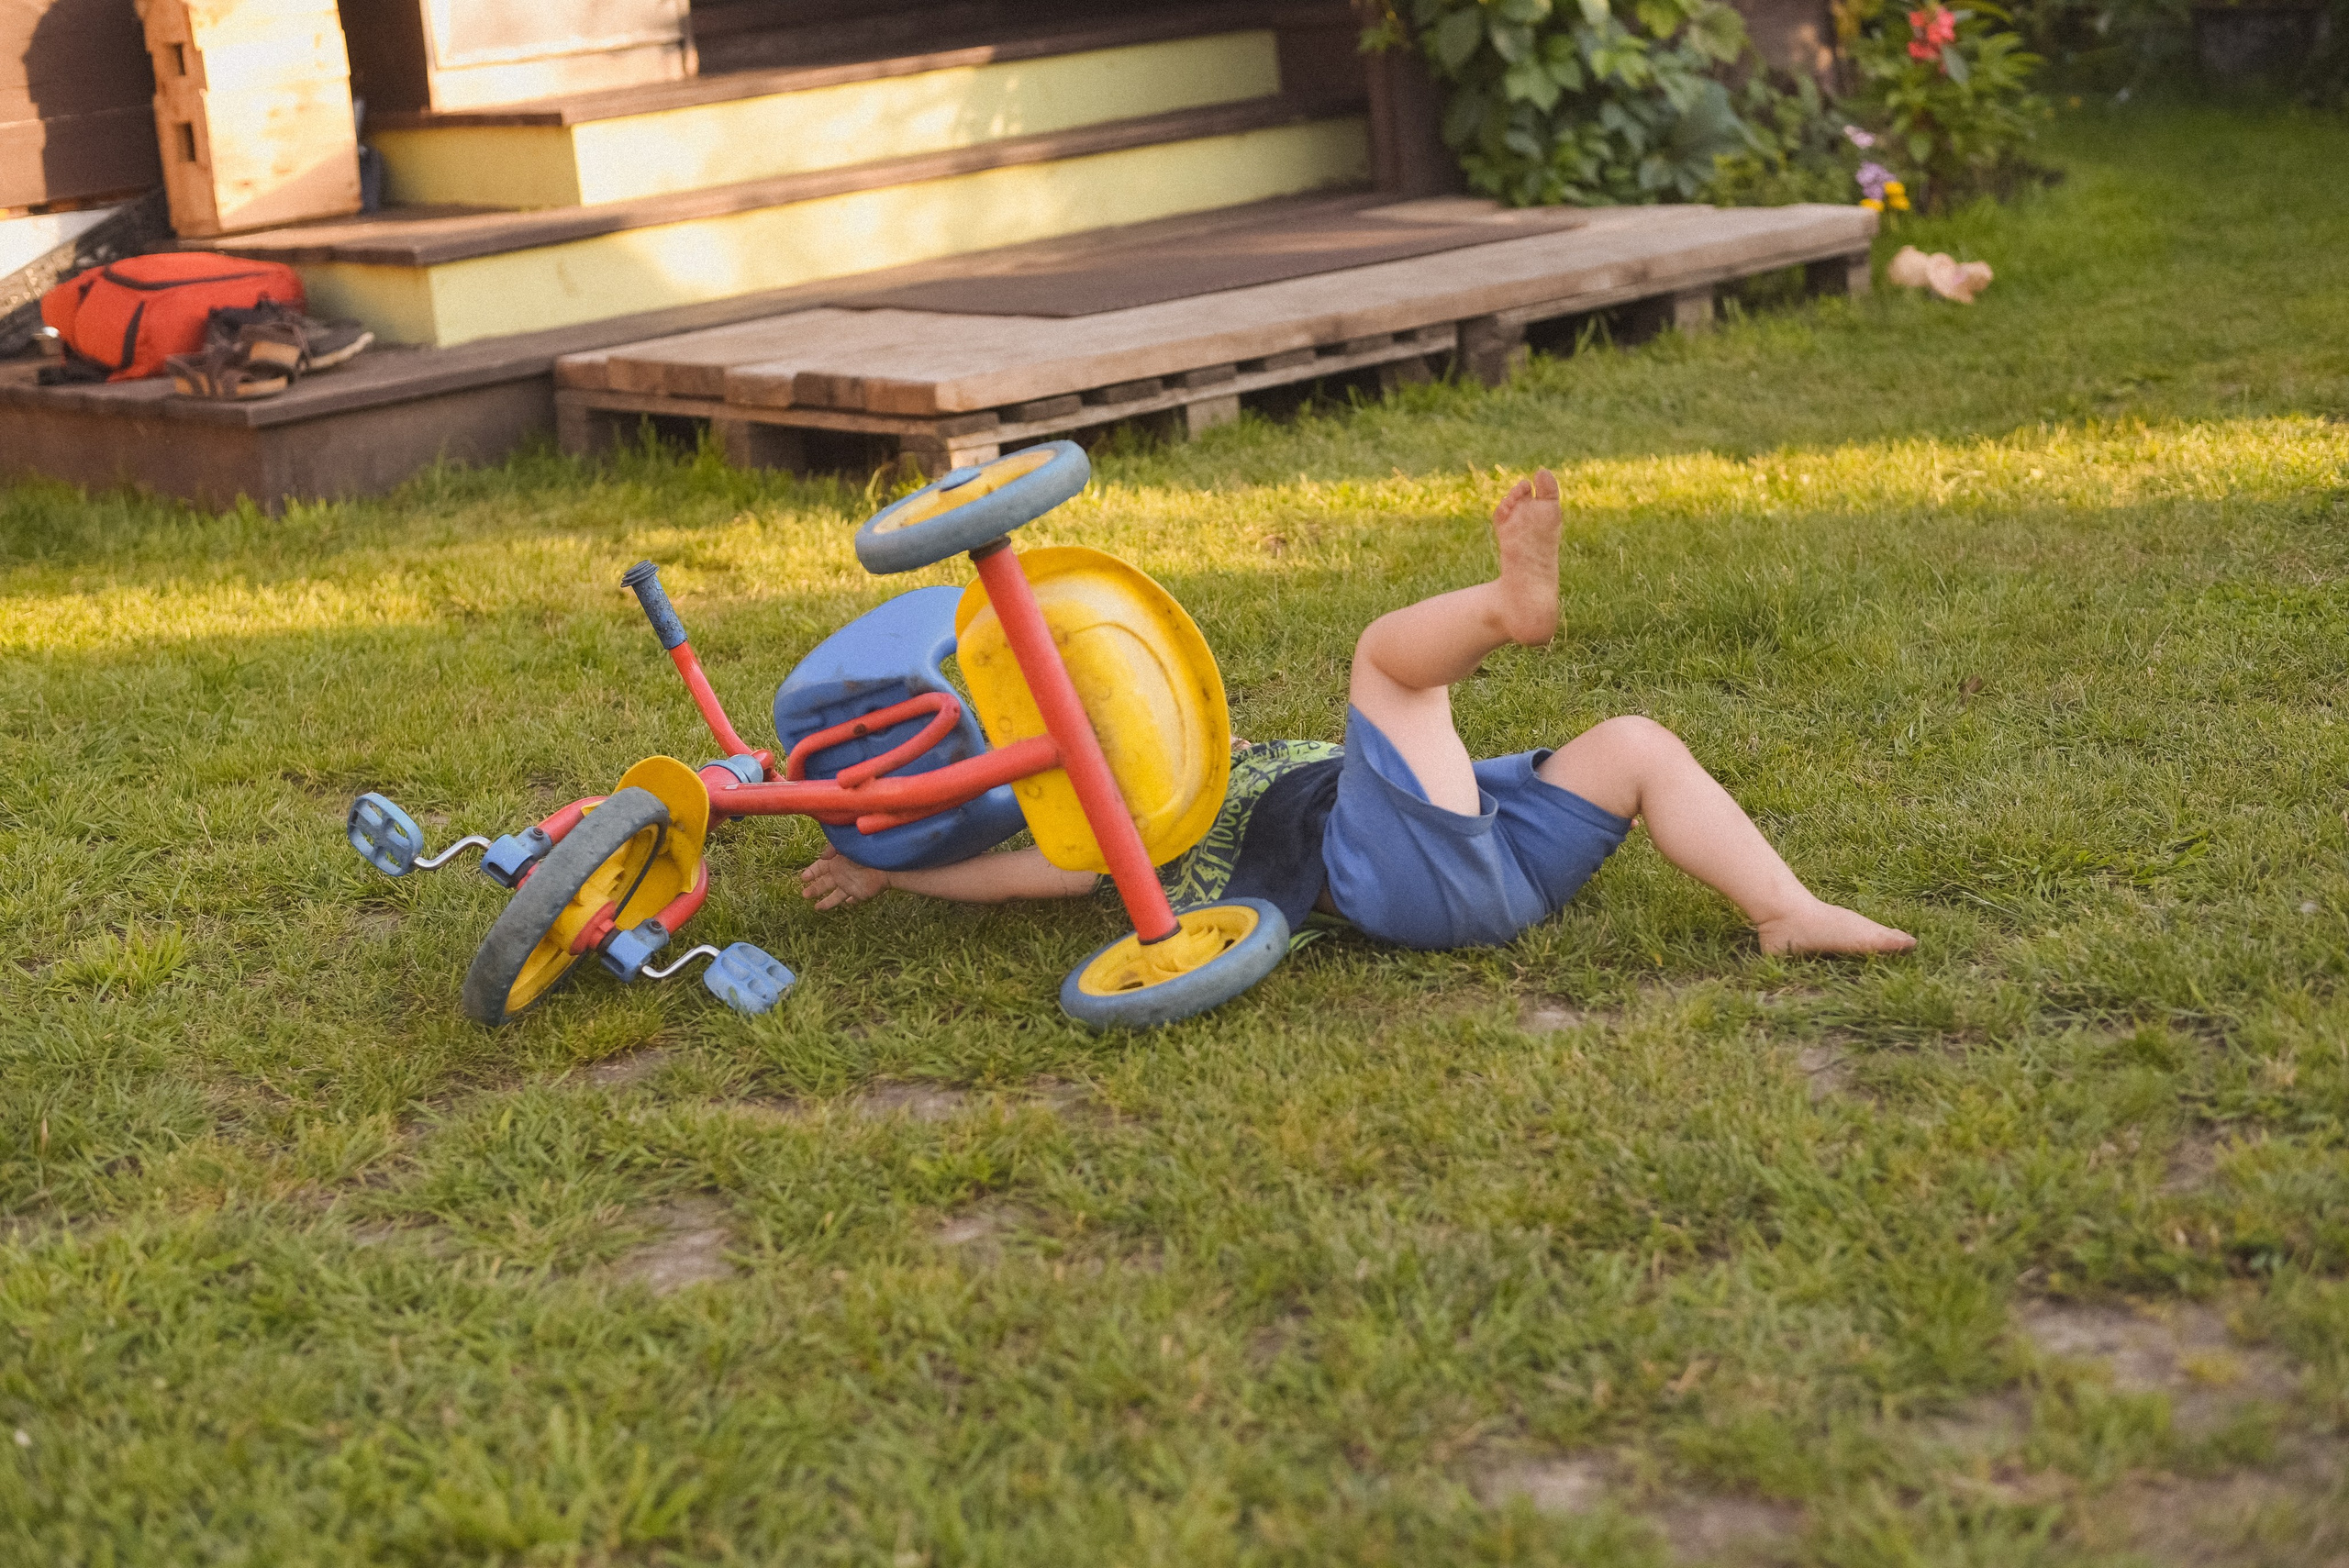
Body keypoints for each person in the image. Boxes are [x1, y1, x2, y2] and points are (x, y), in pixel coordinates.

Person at [800, 469, 1915, 958]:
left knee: (1634, 744)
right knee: (1387, 662)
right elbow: (1025, 876)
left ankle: (1785, 908)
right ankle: (1506, 606)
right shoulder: (1111, 836)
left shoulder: (1213, 768)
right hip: (1406, 882)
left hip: (1489, 851)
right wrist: (894, 872)